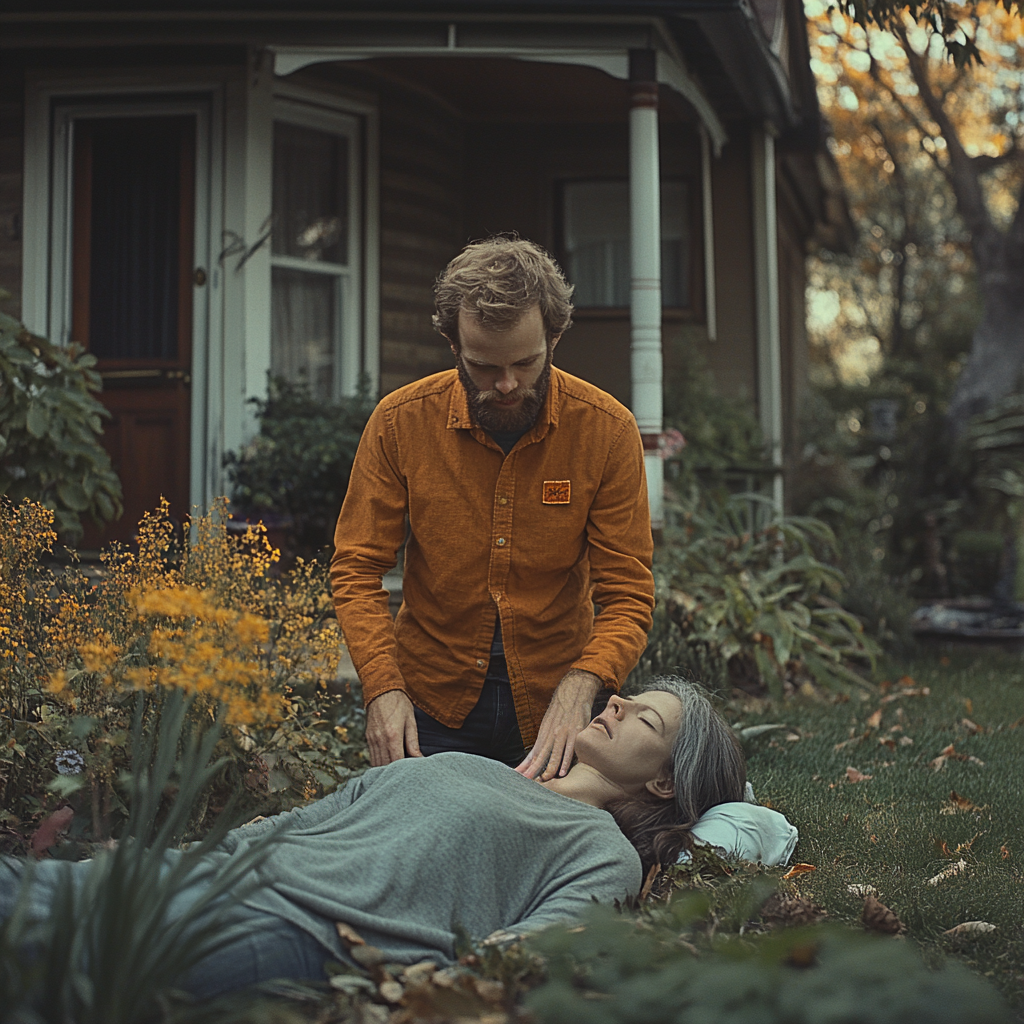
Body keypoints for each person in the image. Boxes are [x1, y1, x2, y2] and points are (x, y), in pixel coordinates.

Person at [0, 677, 746, 1003]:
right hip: (225, 873)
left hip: (305, 927)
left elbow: (521, 955)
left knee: (42, 945)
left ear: (662, 785)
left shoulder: (601, 850)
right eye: (630, 697)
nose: (617, 703)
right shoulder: (468, 764)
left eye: (645, 720)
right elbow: (301, 823)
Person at [330, 236, 655, 779]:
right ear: (453, 345)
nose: (506, 385)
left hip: (558, 701)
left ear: (554, 337)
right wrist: (382, 689)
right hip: (431, 700)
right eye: (482, 366)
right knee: (417, 838)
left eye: (525, 363)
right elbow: (357, 568)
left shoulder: (608, 431)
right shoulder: (398, 422)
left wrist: (585, 683)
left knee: (570, 839)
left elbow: (627, 594)